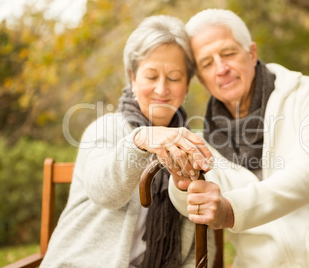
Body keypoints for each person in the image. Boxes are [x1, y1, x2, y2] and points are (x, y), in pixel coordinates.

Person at [169, 9, 309, 267]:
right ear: (201, 78)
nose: (221, 68)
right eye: (207, 63)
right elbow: (187, 201)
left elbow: (307, 176)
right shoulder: (204, 140)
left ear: (251, 53)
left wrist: (230, 210)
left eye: (228, 53)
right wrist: (182, 182)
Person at [41, 15, 215, 268]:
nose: (162, 89)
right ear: (133, 79)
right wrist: (141, 141)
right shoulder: (106, 128)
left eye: (175, 78)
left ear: (187, 85)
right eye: (151, 76)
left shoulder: (190, 145)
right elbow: (105, 193)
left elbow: (198, 239)